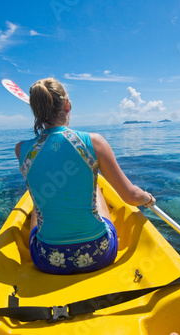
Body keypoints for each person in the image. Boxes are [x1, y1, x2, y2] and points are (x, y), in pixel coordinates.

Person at [15, 77, 155, 275]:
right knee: (94, 180)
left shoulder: (21, 149)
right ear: (67, 105)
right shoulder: (94, 142)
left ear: (36, 110)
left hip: (48, 259)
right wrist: (148, 198)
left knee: (38, 204)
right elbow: (131, 196)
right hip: (99, 254)